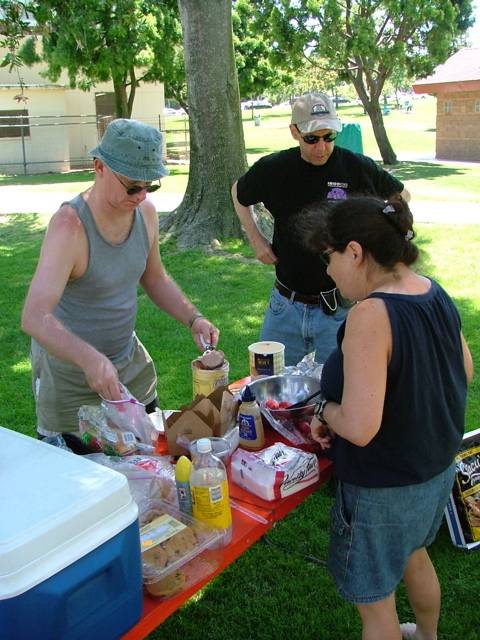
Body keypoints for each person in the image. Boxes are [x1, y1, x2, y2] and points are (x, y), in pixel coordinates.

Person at [305, 196, 473, 640]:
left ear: (355, 252)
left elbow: (360, 427)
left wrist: (324, 409)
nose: (328, 270)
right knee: (416, 553)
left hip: (384, 486)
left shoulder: (370, 314)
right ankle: (427, 636)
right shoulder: (432, 290)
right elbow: (466, 369)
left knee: (377, 604)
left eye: (330, 256)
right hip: (434, 469)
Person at [21, 118, 219, 438]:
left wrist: (193, 317)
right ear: (99, 166)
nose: (141, 195)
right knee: (85, 481)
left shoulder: (145, 213)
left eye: (150, 185)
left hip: (129, 367)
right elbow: (34, 316)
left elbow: (154, 277)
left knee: (150, 468)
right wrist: (89, 359)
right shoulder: (69, 226)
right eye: (132, 186)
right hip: (71, 381)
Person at [231, 91, 410, 366]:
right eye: (312, 139)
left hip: (338, 308)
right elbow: (238, 192)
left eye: (329, 137)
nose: (322, 147)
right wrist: (256, 239)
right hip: (285, 306)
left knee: (337, 392)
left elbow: (400, 196)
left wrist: (375, 236)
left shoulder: (355, 167)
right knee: (267, 386)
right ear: (294, 131)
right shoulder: (275, 169)